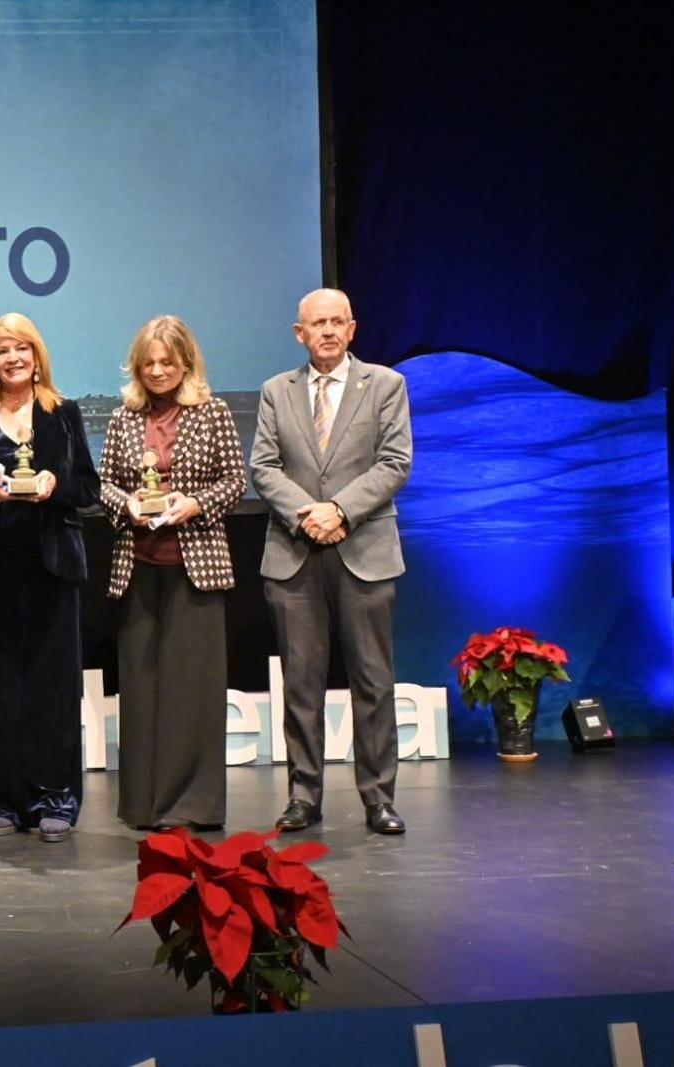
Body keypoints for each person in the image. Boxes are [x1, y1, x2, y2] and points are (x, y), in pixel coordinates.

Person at [249, 288, 413, 835]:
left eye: (336, 322)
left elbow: (395, 462)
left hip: (363, 550)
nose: (327, 331)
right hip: (295, 554)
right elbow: (264, 467)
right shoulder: (277, 391)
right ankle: (304, 795)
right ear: (299, 333)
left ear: (352, 328)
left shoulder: (385, 385)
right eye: (316, 323)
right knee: (301, 683)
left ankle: (379, 798)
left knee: (372, 680)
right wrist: (308, 514)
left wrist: (340, 510)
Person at [0, 313, 98, 842]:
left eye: (21, 349)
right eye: (2, 351)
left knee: (53, 689)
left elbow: (88, 489)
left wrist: (56, 482)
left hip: (52, 567)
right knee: (4, 686)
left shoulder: (63, 413)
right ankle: (10, 800)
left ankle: (57, 797)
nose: (12, 359)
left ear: (37, 357)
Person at [98, 316, 245, 832]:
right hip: (137, 566)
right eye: (149, 362)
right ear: (137, 365)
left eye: (168, 361)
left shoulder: (214, 412)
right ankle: (142, 805)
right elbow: (105, 486)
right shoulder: (122, 417)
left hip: (195, 566)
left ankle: (192, 806)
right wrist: (128, 505)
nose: (158, 371)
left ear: (186, 362)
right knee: (141, 691)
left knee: (193, 691)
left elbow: (234, 482)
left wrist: (194, 503)